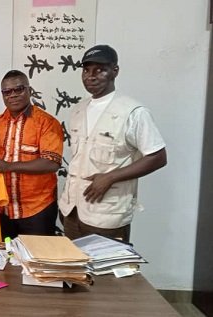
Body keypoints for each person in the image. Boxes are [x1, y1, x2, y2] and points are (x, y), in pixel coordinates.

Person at [58, 45, 167, 242]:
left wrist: (110, 177)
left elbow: (158, 157)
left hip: (107, 215)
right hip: (71, 210)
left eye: (100, 70)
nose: (91, 76)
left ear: (114, 71)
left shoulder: (132, 111)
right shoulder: (78, 111)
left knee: (105, 272)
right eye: (86, 70)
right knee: (75, 270)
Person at [0, 70, 63, 239]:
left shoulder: (47, 123)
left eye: (19, 89)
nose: (13, 95)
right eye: (7, 92)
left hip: (38, 209)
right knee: (6, 257)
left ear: (29, 91)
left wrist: (9, 166)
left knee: (37, 259)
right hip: (3, 207)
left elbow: (51, 163)